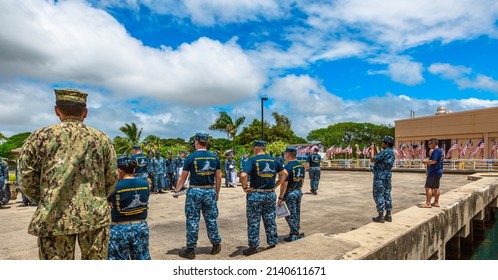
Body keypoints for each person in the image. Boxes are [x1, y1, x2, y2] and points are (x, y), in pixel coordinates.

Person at [18, 88, 118, 260]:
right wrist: (96, 197)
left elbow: (26, 179)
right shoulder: (101, 139)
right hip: (93, 216)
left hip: (53, 216)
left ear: (57, 111)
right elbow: (112, 177)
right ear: (85, 113)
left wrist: (47, 199)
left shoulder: (39, 137)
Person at [174, 133, 222, 259]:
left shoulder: (191, 157)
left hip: (195, 192)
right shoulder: (214, 158)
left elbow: (182, 177)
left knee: (192, 220)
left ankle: (190, 249)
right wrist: (217, 193)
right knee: (211, 219)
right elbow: (218, 178)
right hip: (209, 191)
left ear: (196, 142)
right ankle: (216, 244)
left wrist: (176, 190)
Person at [240, 140, 288, 256]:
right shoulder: (273, 160)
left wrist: (245, 187)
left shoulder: (252, 160)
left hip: (256, 194)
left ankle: (253, 246)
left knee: (253, 221)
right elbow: (285, 173)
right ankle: (272, 242)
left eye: (253, 147)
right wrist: (276, 185)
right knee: (270, 219)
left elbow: (243, 175)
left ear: (256, 147)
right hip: (270, 194)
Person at [108, 156, 151, 260]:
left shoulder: (113, 186)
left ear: (119, 170)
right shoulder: (145, 184)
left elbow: (109, 203)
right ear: (134, 169)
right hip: (141, 226)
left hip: (119, 228)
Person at [280, 146, 305, 241]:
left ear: (289, 154)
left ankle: (295, 233)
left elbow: (284, 184)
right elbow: (302, 180)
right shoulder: (300, 165)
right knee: (296, 213)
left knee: (289, 214)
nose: (284, 154)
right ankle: (293, 232)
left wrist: (280, 197)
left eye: (285, 153)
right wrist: (298, 189)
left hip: (290, 192)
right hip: (298, 191)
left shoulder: (287, 167)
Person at [369, 136, 395, 223]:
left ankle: (380, 216)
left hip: (380, 176)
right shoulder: (390, 152)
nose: (382, 144)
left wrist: (372, 149)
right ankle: (388, 215)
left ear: (387, 143)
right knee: (387, 194)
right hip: (387, 176)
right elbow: (379, 157)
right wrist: (376, 149)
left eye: (383, 142)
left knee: (378, 194)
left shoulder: (386, 151)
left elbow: (373, 159)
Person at [420, 138, 444, 208]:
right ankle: (436, 202)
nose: (429, 145)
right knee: (436, 187)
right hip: (439, 171)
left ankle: (428, 203)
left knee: (428, 187)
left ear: (433, 143)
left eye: (429, 143)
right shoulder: (441, 151)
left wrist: (425, 162)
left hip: (434, 171)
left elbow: (434, 161)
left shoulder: (436, 151)